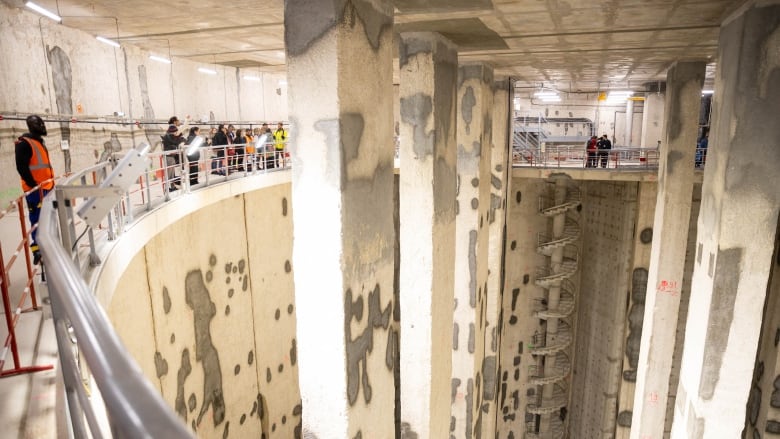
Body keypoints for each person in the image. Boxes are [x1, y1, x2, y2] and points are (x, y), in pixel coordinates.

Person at [15, 115, 55, 265]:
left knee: (48, 218)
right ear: (30, 126)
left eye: (43, 123)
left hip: (47, 187)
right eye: (38, 123)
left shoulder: (39, 142)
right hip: (36, 190)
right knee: (37, 219)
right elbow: (21, 167)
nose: (42, 126)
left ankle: (49, 244)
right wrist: (33, 185)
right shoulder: (24, 143)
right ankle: (37, 250)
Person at [161, 116, 188, 191]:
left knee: (171, 173)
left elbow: (178, 138)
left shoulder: (171, 132)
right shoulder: (171, 132)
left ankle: (172, 187)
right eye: (178, 120)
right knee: (169, 174)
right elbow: (176, 139)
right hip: (169, 156)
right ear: (174, 121)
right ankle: (167, 189)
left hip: (170, 156)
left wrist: (182, 140)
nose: (177, 133)